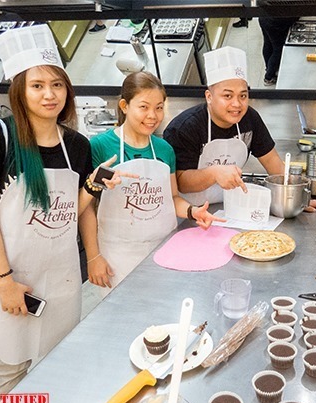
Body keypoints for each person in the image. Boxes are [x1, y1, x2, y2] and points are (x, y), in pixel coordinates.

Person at [0, 24, 130, 393]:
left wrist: (93, 185)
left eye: (57, 85)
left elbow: (76, 210)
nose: (49, 94)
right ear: (19, 91)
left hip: (61, 276)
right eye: (37, 85)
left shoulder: (77, 145)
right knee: (12, 367)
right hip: (10, 276)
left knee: (61, 362)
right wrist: (4, 282)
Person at [80, 71, 224, 293]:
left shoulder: (164, 149)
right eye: (144, 107)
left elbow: (172, 197)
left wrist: (194, 211)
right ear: (125, 106)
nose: (153, 115)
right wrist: (93, 257)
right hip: (117, 255)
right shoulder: (100, 146)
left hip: (164, 248)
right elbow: (87, 208)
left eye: (159, 107)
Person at [163, 46, 316, 212]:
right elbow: (181, 183)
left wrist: (299, 198)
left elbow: (272, 162)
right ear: (209, 97)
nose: (237, 104)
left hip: (229, 208)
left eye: (243, 95)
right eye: (227, 96)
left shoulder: (249, 119)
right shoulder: (185, 128)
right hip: (188, 213)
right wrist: (214, 173)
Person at [258, 16, 298, 86]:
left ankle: (269, 68)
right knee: (278, 50)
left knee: (268, 43)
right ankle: (269, 77)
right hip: (275, 23)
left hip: (264, 17)